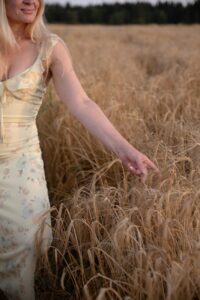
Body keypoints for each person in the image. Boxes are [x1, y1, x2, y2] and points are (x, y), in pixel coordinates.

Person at [0, 0, 160, 299]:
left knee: (20, 247)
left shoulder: (49, 48)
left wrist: (125, 150)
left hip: (20, 169)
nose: (29, 1)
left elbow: (82, 103)